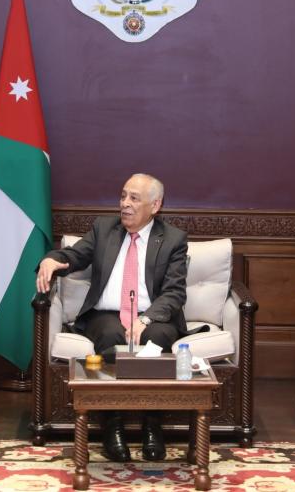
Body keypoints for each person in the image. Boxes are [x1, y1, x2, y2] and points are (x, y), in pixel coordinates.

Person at [36, 173, 188, 462]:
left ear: (155, 206)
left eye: (134, 198)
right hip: (106, 315)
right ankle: (112, 425)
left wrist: (146, 319)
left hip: (152, 317)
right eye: (123, 196)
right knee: (111, 335)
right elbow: (75, 255)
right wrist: (52, 259)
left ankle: (152, 425)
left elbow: (174, 292)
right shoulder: (104, 229)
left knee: (157, 338)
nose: (125, 204)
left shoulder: (173, 239)